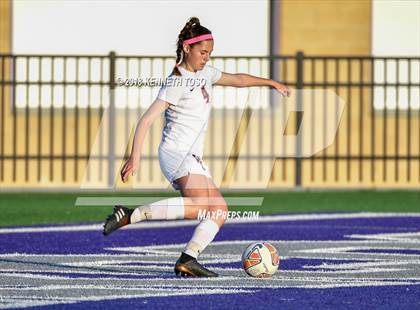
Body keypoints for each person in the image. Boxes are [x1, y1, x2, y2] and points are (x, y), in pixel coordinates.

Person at [103, 17, 290, 277]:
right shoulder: (176, 82)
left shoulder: (205, 73)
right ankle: (133, 214)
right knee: (202, 206)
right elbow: (146, 120)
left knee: (219, 211)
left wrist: (271, 83)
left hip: (192, 156)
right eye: (203, 52)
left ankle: (188, 258)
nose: (207, 58)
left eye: (210, 53)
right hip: (176, 153)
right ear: (187, 49)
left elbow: (238, 79)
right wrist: (134, 157)